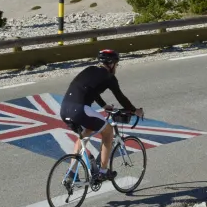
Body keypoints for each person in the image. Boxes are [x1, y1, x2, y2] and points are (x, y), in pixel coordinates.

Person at [59, 49, 144, 181]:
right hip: (80, 109)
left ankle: (71, 173)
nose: (116, 67)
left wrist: (104, 106)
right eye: (116, 64)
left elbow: (92, 91)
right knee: (108, 131)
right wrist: (134, 110)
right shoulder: (109, 77)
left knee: (85, 134)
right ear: (112, 64)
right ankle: (103, 172)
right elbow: (120, 97)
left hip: (64, 109)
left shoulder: (89, 70)